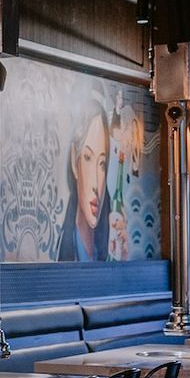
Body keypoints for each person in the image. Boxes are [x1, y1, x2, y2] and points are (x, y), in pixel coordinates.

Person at [56, 101, 112, 262]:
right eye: (88, 158)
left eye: (102, 164)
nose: (95, 183)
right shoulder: (67, 245)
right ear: (75, 160)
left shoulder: (107, 247)